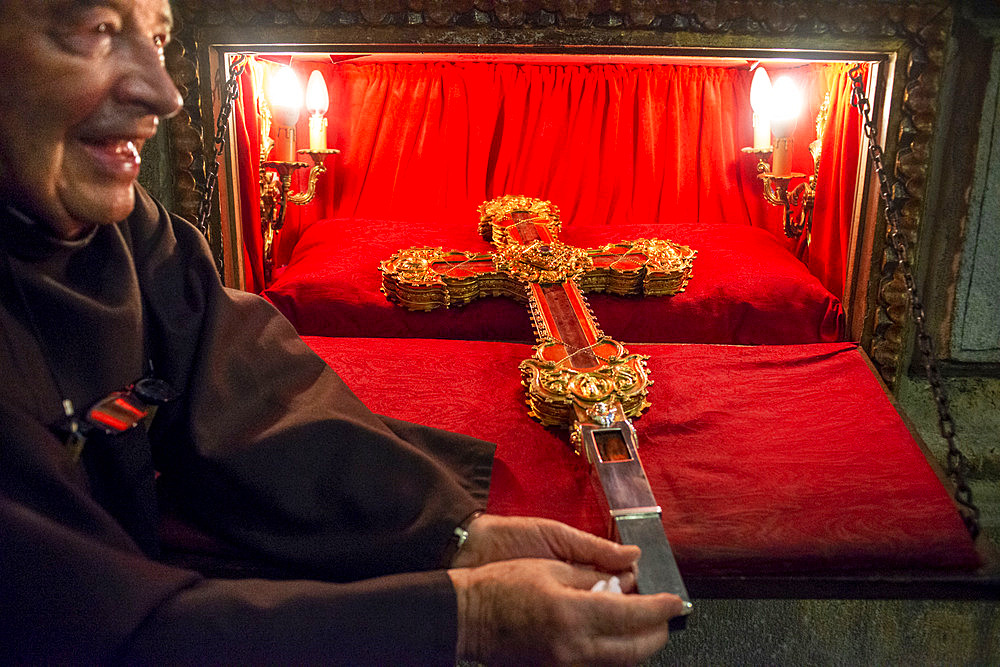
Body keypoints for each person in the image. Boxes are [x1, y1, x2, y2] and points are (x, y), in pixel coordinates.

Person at [0, 0, 686, 663]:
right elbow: (94, 629)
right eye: (95, 30)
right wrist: (466, 616)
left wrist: (456, 533)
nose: (165, 95)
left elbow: (249, 392)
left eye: (156, 39)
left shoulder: (117, 225)